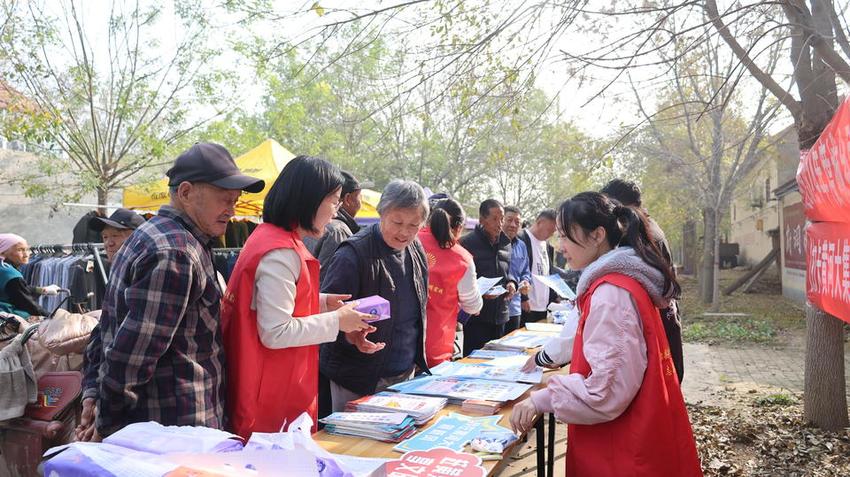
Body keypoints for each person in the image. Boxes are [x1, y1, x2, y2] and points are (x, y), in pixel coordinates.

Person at [509, 192, 702, 477]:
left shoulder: (610, 295)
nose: (560, 247)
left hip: (621, 451)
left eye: (564, 236)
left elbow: (606, 393)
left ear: (597, 235)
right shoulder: (620, 284)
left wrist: (542, 398)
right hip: (634, 439)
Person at [91, 142, 264, 438]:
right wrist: (105, 422)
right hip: (175, 428)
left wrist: (92, 394)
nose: (232, 211)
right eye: (225, 199)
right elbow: (132, 354)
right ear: (185, 193)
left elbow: (106, 328)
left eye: (235, 200)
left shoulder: (156, 235)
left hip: (170, 424)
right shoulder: (177, 251)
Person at [221, 156, 375, 438]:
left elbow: (269, 304)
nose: (336, 210)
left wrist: (323, 302)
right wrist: (336, 321)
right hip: (270, 393)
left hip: (270, 383)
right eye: (335, 201)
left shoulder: (272, 237)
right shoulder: (280, 252)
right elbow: (275, 331)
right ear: (311, 199)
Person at [319, 180, 430, 412]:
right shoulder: (353, 254)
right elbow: (327, 314)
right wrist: (350, 336)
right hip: (357, 377)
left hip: (406, 374)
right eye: (397, 222)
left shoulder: (416, 248)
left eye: (414, 225)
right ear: (381, 214)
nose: (404, 232)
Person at [601, 178, 684, 384]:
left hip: (656, 324)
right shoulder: (646, 226)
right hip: (663, 318)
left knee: (657, 390)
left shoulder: (640, 235)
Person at [76, 208, 145, 442]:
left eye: (117, 235)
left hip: (139, 411)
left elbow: (132, 352)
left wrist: (104, 417)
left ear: (138, 237)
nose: (109, 243)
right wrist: (91, 395)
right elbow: (99, 341)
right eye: (105, 237)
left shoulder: (145, 275)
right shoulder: (116, 275)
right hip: (113, 406)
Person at [418, 198, 482, 367]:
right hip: (435, 347)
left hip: (399, 345)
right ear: (459, 228)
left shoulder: (409, 241)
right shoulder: (462, 259)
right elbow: (473, 306)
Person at [458, 199, 516, 356]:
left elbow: (507, 271)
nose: (500, 223)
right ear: (482, 219)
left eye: (502, 218)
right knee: (474, 363)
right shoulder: (467, 243)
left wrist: (511, 283)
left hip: (501, 315)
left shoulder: (506, 243)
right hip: (478, 318)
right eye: (495, 219)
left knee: (498, 364)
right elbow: (460, 280)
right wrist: (479, 292)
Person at [0, 234, 60, 318]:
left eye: (27, 249)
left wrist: (42, 290)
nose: (26, 254)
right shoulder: (10, 275)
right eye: (20, 250)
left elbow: (17, 290)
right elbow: (28, 304)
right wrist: (52, 317)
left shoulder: (3, 269)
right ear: (2, 252)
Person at [518, 209, 559, 325]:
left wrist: (554, 296)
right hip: (526, 305)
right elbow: (517, 271)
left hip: (543, 306)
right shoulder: (521, 239)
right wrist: (523, 298)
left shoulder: (548, 246)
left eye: (554, 231)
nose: (552, 234)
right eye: (550, 230)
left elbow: (548, 272)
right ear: (540, 222)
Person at [502, 206, 531, 335]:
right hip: (496, 308)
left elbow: (526, 271)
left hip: (515, 307)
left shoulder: (522, 246)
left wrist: (525, 282)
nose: (513, 225)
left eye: (517, 222)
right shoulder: (494, 243)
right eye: (509, 220)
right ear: (502, 220)